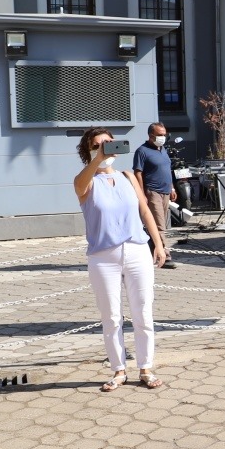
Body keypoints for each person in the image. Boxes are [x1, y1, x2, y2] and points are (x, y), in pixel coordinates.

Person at [74, 127, 167, 391]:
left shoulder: (127, 176)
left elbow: (145, 211)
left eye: (109, 142)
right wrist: (97, 160)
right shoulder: (86, 181)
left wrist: (157, 244)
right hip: (103, 256)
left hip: (137, 249)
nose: (105, 147)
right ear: (89, 149)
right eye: (98, 144)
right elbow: (81, 186)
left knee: (143, 312)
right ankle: (118, 370)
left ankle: (146, 367)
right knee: (111, 317)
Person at [131, 122, 177, 268]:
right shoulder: (142, 151)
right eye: (160, 135)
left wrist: (172, 188)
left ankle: (152, 251)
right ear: (151, 136)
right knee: (159, 225)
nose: (163, 137)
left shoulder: (163, 150)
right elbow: (138, 172)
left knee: (159, 224)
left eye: (164, 135)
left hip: (165, 191)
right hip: (152, 191)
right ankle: (165, 256)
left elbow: (167, 170)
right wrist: (142, 192)